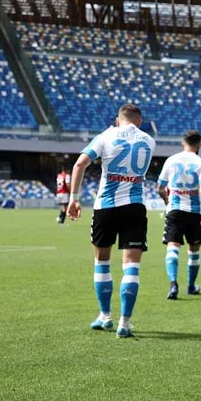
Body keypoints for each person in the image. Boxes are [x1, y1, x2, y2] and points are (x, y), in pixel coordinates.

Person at [67, 104, 156, 338]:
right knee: (132, 267)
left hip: (105, 206)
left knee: (102, 262)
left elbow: (79, 164)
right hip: (134, 206)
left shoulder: (106, 136)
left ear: (118, 119)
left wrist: (74, 199)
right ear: (139, 120)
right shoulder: (149, 140)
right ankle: (125, 323)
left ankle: (105, 316)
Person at [157, 130, 201, 300]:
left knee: (172, 247)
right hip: (195, 211)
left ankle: (173, 284)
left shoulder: (171, 160)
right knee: (193, 250)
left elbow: (160, 187)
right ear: (199, 144)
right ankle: (191, 286)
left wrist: (167, 201)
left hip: (175, 210)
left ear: (183, 142)